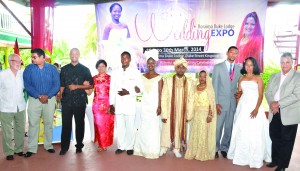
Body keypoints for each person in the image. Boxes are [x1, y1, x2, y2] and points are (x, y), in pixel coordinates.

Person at [227, 57, 271, 168]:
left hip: (254, 106)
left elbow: (261, 95)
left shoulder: (258, 78)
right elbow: (240, 93)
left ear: (254, 66)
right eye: (247, 65)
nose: (248, 67)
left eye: (251, 65)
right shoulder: (241, 78)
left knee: (254, 131)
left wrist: (256, 108)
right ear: (244, 66)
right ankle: (243, 155)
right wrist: (238, 103)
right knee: (242, 130)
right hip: (242, 107)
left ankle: (255, 156)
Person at [265, 52, 300, 171]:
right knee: (274, 136)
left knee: (287, 140)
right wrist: (272, 104)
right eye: (282, 62)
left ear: (292, 63)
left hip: (289, 113)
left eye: (287, 62)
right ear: (280, 63)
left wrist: (278, 103)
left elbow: (296, 95)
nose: (284, 65)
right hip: (274, 111)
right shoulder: (274, 76)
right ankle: (275, 160)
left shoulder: (298, 77)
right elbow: (268, 92)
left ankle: (282, 165)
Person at [23, 48, 60, 158]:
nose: (32, 59)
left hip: (49, 99)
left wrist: (47, 96)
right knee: (33, 124)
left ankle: (48, 145)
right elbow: (27, 85)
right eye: (32, 57)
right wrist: (38, 96)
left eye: (34, 57)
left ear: (42, 57)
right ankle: (32, 148)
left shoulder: (53, 69)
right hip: (34, 99)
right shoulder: (29, 69)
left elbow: (56, 84)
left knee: (48, 123)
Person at [59, 48, 93, 155]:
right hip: (66, 102)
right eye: (72, 53)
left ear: (79, 55)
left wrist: (78, 86)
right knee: (66, 125)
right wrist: (60, 98)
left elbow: (90, 86)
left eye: (76, 53)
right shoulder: (64, 69)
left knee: (80, 125)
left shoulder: (85, 70)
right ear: (70, 55)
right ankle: (64, 147)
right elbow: (62, 86)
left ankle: (79, 146)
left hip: (80, 101)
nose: (74, 55)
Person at [160, 57, 194, 158]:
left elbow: (191, 100)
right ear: (175, 68)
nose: (180, 69)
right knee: (166, 129)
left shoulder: (190, 82)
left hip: (182, 111)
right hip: (170, 110)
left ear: (185, 69)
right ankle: (163, 148)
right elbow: (164, 97)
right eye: (178, 67)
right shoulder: (168, 80)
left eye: (183, 68)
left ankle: (176, 149)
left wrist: (189, 114)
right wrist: (164, 113)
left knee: (179, 129)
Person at [109, 51, 142, 155]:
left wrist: (129, 92)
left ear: (130, 59)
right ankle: (121, 146)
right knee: (120, 127)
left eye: (126, 58)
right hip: (118, 104)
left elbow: (140, 89)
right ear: (120, 59)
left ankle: (130, 147)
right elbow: (112, 89)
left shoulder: (135, 72)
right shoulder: (115, 72)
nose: (124, 60)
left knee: (130, 127)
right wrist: (111, 104)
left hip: (130, 104)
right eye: (122, 58)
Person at [212, 46, 242, 158]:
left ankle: (225, 148)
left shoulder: (239, 69)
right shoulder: (218, 67)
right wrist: (216, 103)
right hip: (220, 103)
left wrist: (240, 93)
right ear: (227, 53)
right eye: (231, 52)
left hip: (232, 103)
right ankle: (215, 148)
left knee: (229, 127)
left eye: (235, 53)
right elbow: (214, 85)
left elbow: (241, 84)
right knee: (218, 127)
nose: (233, 55)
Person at [133, 49, 163, 159]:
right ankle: (142, 149)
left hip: (155, 105)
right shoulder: (142, 77)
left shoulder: (160, 77)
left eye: (152, 62)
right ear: (146, 64)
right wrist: (136, 89)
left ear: (155, 64)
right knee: (144, 126)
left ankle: (153, 150)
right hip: (145, 105)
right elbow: (140, 90)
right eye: (148, 62)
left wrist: (160, 106)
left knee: (154, 127)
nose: (150, 64)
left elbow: (160, 93)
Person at [185, 70, 217, 161]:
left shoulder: (209, 88)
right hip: (196, 114)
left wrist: (210, 115)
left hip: (205, 114)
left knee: (203, 133)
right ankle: (194, 152)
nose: (202, 78)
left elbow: (212, 102)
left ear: (207, 77)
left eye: (204, 76)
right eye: (200, 76)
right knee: (194, 132)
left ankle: (202, 154)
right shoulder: (195, 87)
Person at [102, 3, 143, 72]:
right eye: (115, 11)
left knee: (130, 72)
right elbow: (105, 44)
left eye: (119, 11)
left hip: (126, 52)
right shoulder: (108, 27)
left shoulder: (125, 25)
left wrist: (138, 48)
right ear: (111, 12)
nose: (117, 13)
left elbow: (129, 41)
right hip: (114, 55)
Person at [0, 54, 26, 160]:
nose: (18, 63)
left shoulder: (23, 74)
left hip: (20, 106)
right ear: (10, 62)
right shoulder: (2, 75)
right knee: (7, 130)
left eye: (20, 61)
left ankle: (18, 149)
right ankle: (9, 152)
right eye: (16, 61)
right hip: (6, 107)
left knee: (20, 128)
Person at [92, 59, 114, 151]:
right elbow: (89, 91)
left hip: (108, 104)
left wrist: (112, 105)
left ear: (106, 67)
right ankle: (101, 144)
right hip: (97, 105)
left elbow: (113, 92)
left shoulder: (110, 78)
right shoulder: (93, 78)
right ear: (97, 68)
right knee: (98, 124)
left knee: (107, 125)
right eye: (99, 66)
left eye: (103, 66)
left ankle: (104, 143)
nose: (101, 68)